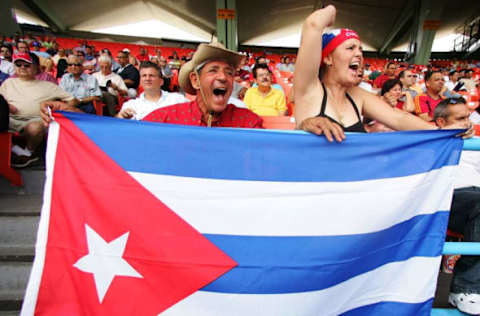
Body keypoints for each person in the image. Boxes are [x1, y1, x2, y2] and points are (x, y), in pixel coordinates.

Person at [293, 5, 466, 142]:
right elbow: (313, 24)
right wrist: (331, 10)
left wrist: (442, 132)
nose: (359, 54)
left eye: (360, 49)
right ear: (328, 59)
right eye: (350, 48)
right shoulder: (309, 89)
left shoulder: (357, 96)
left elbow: (398, 118)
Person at [142, 42, 263, 128]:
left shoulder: (248, 122)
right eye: (213, 70)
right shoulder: (165, 119)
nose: (223, 77)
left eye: (229, 72)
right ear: (195, 80)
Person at [433, 98, 480, 315]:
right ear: (441, 122)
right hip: (449, 196)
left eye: (468, 117)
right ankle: (466, 288)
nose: (467, 123)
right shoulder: (429, 141)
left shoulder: (475, 139)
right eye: (460, 119)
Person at [0, 53, 77, 167]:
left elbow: (72, 100)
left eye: (27, 65)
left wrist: (58, 108)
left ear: (36, 67)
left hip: (33, 121)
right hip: (8, 119)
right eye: (18, 64)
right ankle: (21, 152)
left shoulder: (48, 85)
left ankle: (28, 151)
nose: (22, 67)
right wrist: (6, 105)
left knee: (35, 127)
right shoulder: (8, 83)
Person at [116, 61, 188, 120]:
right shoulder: (131, 105)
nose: (147, 79)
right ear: (140, 81)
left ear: (161, 81)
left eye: (151, 75)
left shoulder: (177, 100)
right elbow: (117, 125)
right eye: (144, 76)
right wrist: (121, 116)